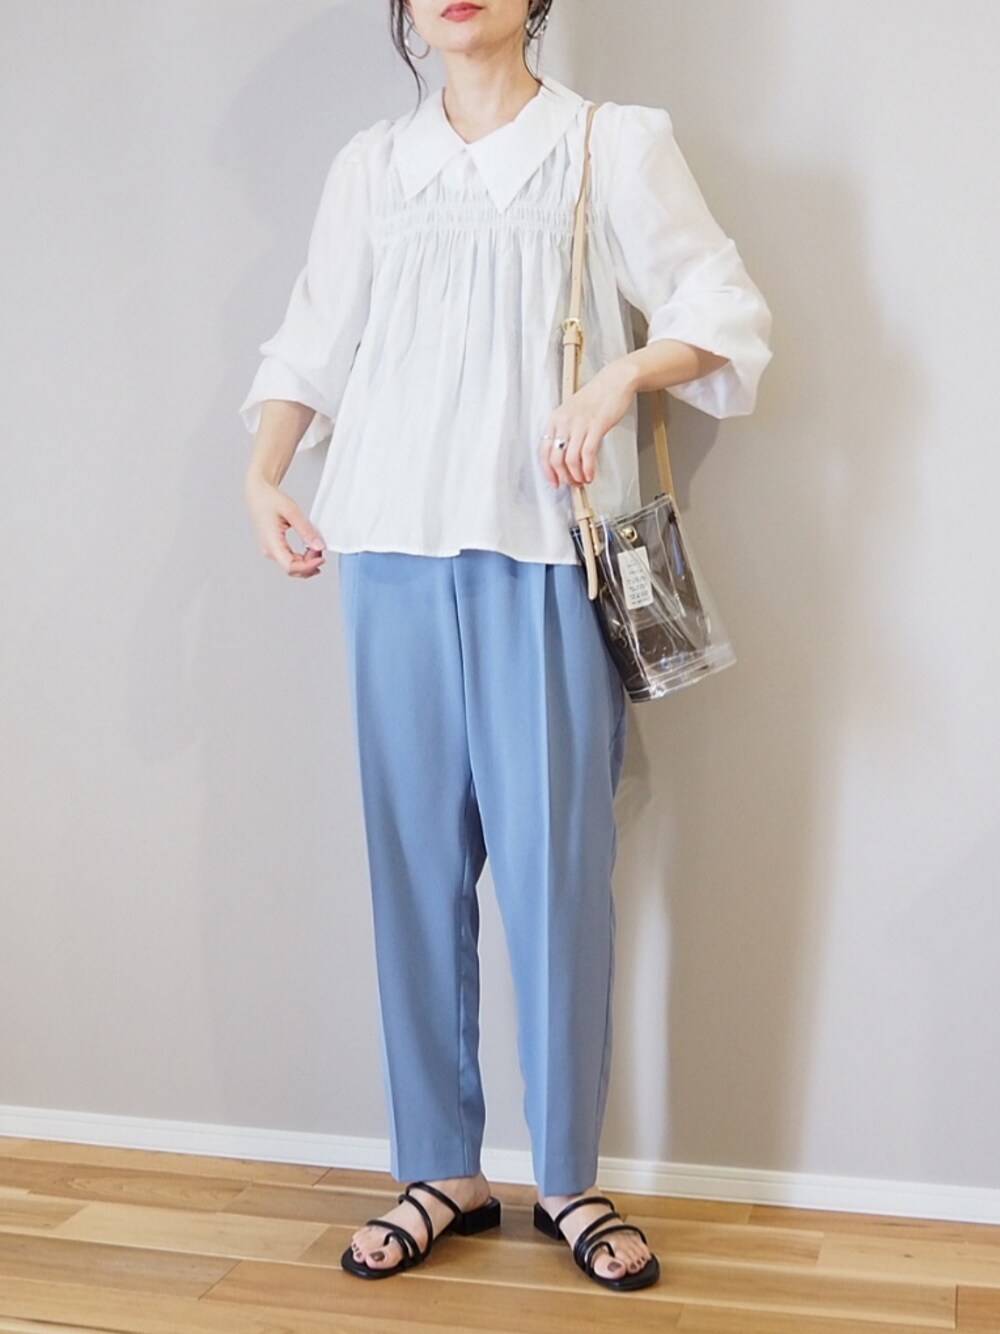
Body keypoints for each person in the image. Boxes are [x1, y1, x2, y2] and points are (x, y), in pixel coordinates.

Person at [239, 0, 771, 1294]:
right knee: (413, 870)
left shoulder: (607, 145)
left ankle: (570, 1179)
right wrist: (263, 475)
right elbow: (313, 337)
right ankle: (440, 1168)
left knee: (554, 874)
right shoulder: (375, 165)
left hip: (546, 549)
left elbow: (726, 310)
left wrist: (618, 377)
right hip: (388, 549)